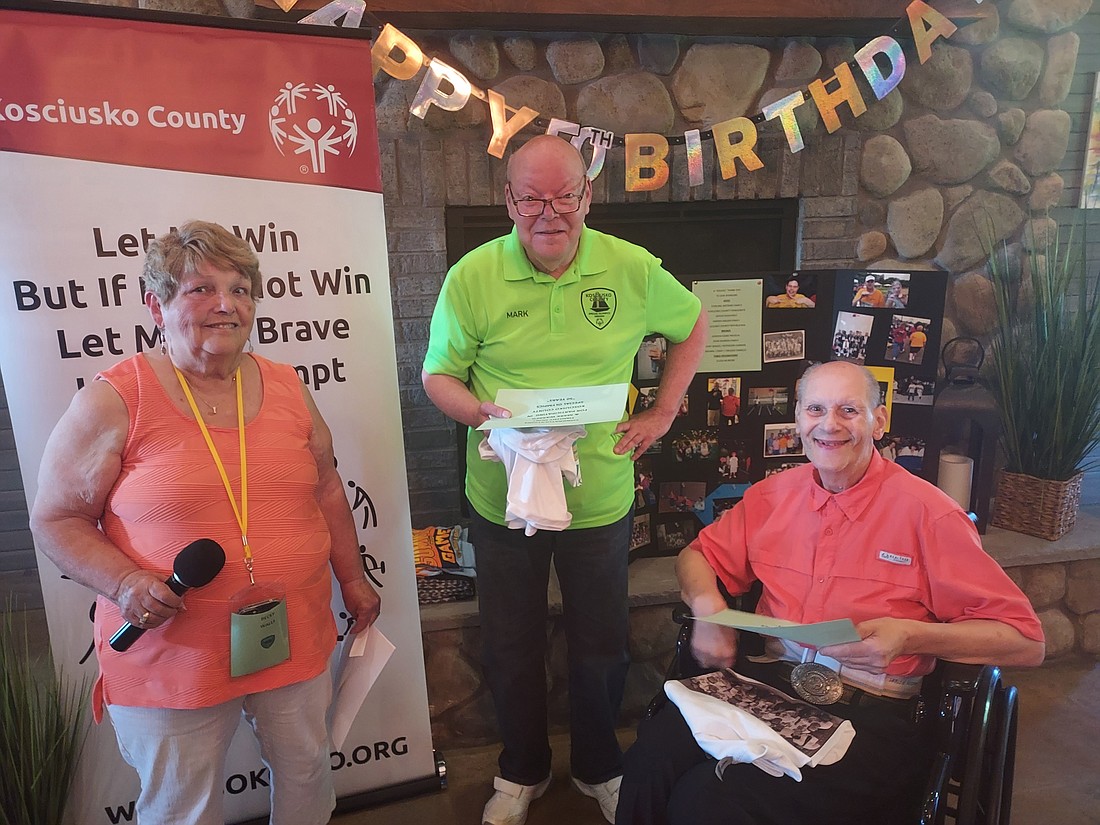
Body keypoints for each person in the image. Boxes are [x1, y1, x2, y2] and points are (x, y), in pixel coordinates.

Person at [30, 221, 381, 825]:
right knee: (181, 809)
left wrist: (352, 580)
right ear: (156, 304)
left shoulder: (289, 387)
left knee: (306, 772)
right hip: (170, 652)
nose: (227, 304)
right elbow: (58, 519)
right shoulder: (116, 399)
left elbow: (324, 489)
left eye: (241, 289)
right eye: (201, 289)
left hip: (289, 630)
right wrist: (124, 584)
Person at [616, 361, 1044, 825]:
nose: (829, 425)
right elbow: (696, 557)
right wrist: (708, 610)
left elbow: (1025, 640)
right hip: (768, 684)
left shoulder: (930, 515)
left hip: (873, 713)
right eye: (815, 409)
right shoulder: (771, 497)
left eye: (848, 410)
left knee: (707, 802)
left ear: (878, 422)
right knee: (650, 758)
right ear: (798, 418)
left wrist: (913, 636)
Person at [421, 135, 707, 825]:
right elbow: (437, 375)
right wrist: (479, 414)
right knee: (511, 641)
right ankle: (520, 768)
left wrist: (665, 410)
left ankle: (597, 764)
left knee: (601, 641)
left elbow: (694, 324)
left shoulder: (631, 268)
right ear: (508, 199)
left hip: (599, 495)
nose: (548, 213)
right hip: (504, 497)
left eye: (564, 196)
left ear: (587, 194)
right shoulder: (472, 275)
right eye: (531, 198)